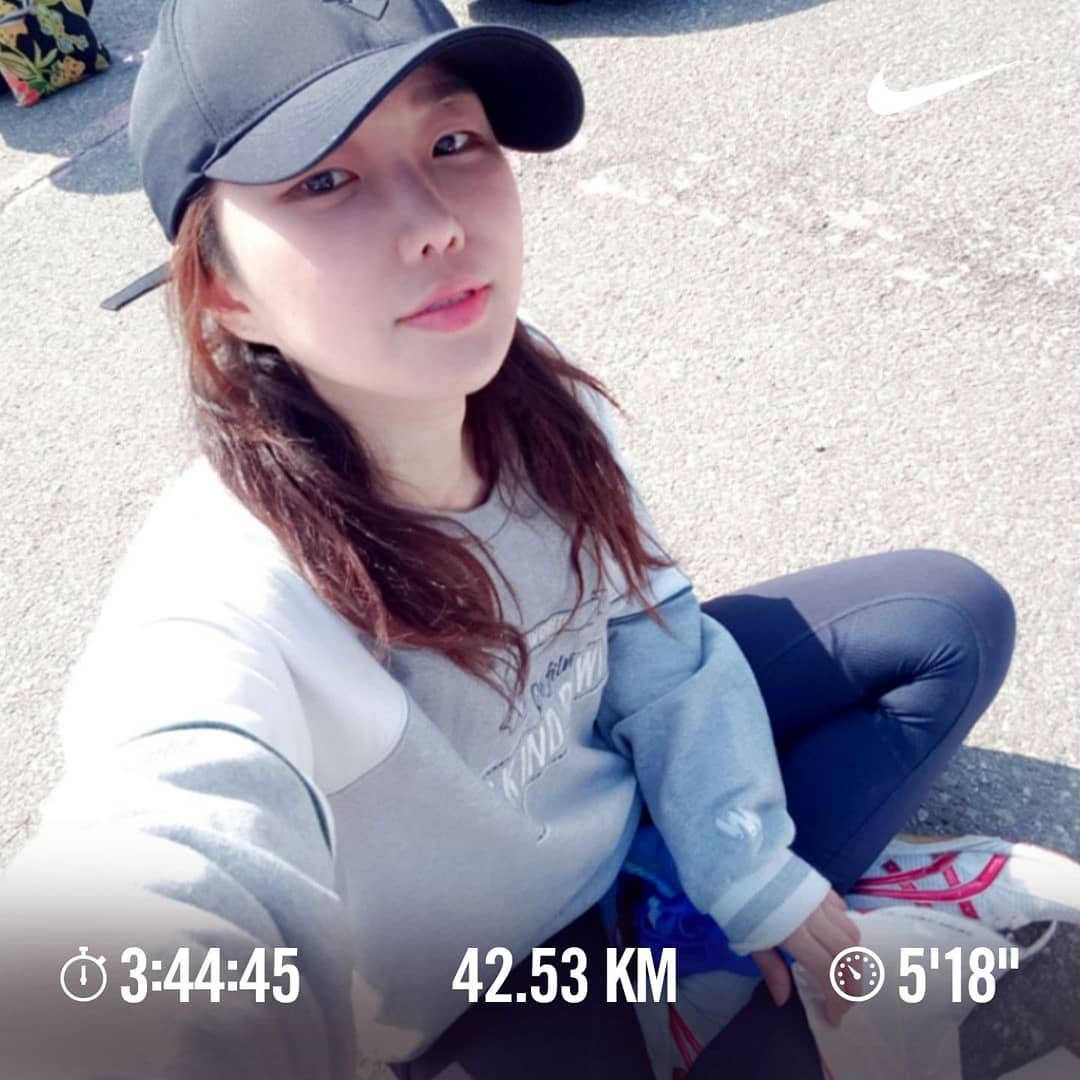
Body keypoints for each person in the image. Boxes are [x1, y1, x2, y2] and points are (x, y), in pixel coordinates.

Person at [1, 0, 1072, 1078]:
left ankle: (733, 914)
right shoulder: (225, 593)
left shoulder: (526, 386)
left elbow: (651, 628)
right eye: (324, 180)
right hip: (493, 976)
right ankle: (769, 938)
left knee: (944, 622)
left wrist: (750, 864)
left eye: (452, 141)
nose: (434, 223)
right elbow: (162, 851)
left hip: (615, 800)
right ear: (225, 290)